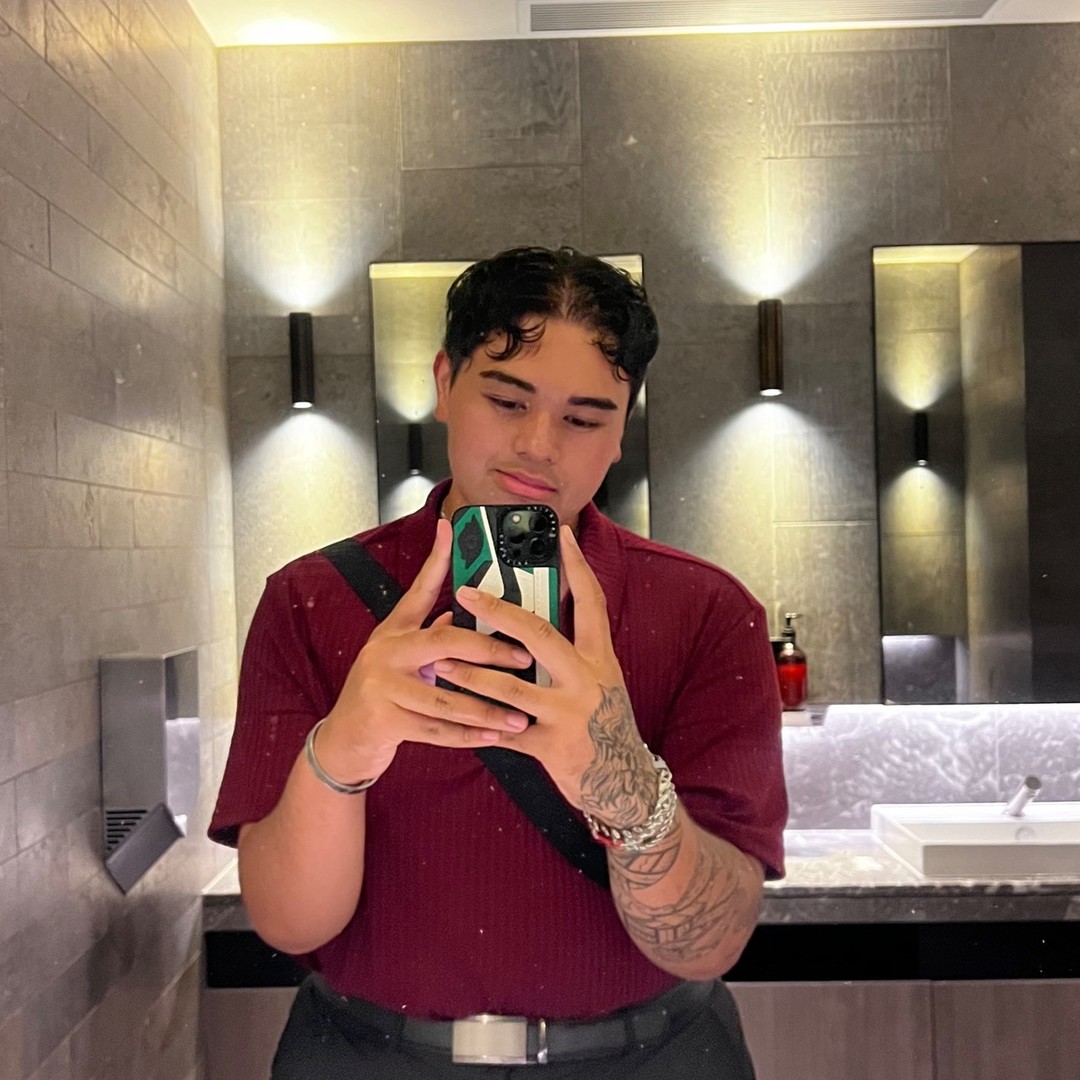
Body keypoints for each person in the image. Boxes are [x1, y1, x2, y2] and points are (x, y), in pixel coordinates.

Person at [209, 246, 788, 1079]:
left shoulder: (703, 613)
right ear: (445, 383)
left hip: (651, 1057)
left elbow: (711, 943)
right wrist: (344, 749)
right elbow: (290, 924)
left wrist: (619, 781)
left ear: (621, 431)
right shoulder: (312, 602)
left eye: (584, 419)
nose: (537, 445)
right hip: (368, 1058)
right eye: (507, 399)